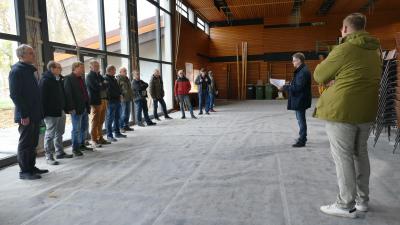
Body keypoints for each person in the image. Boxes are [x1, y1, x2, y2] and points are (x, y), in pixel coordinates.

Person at [314, 13, 381, 218]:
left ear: (344, 29)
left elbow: (319, 75)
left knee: (343, 157)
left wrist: (333, 78)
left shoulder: (345, 48)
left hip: (342, 111)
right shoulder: (375, 50)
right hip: (366, 110)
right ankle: (362, 201)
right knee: (360, 154)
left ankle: (345, 204)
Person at [9, 44, 48, 180]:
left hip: (35, 113)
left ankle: (31, 167)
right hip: (26, 115)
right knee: (26, 144)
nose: (34, 55)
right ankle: (24, 171)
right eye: (31, 53)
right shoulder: (16, 71)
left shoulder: (28, 70)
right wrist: (24, 114)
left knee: (33, 142)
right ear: (22, 56)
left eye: (33, 52)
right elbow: (15, 95)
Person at [39, 61, 73, 165]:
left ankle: (59, 152)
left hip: (60, 110)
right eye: (59, 67)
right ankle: (49, 156)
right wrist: (44, 114)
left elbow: (63, 95)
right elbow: (42, 99)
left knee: (60, 132)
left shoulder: (58, 79)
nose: (61, 69)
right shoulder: (45, 80)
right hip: (51, 112)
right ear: (52, 69)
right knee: (50, 134)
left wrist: (66, 108)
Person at [281, 52, 312, 148]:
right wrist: (289, 83)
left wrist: (285, 87)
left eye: (294, 60)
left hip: (300, 99)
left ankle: (302, 140)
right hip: (300, 99)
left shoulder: (303, 72)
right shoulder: (301, 70)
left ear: (299, 61)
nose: (292, 62)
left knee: (301, 120)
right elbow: (297, 84)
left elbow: (298, 88)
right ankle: (302, 137)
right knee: (300, 119)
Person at [64, 62, 93, 157]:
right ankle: (75, 148)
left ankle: (82, 145)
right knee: (76, 129)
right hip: (76, 108)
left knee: (84, 127)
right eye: (81, 68)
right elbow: (68, 95)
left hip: (84, 107)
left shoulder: (81, 78)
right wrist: (71, 108)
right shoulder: (68, 78)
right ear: (75, 68)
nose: (83, 70)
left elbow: (84, 93)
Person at [86, 60, 110, 147]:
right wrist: (101, 84)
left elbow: (107, 84)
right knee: (95, 121)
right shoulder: (89, 76)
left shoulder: (99, 75)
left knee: (101, 120)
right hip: (95, 101)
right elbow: (95, 87)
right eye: (95, 66)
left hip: (103, 100)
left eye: (98, 65)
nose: (97, 67)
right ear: (91, 67)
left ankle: (100, 138)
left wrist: (101, 84)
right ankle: (94, 140)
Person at [104, 65, 126, 142]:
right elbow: (108, 91)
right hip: (111, 102)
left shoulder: (114, 78)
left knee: (117, 118)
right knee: (110, 119)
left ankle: (117, 133)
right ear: (109, 71)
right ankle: (109, 136)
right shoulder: (105, 79)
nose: (115, 72)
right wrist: (117, 95)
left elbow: (118, 88)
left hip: (117, 101)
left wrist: (120, 94)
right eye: (114, 70)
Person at [117, 67, 134, 132]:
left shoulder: (127, 79)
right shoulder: (118, 79)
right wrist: (120, 96)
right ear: (120, 72)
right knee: (123, 113)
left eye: (126, 71)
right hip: (123, 99)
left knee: (127, 113)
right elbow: (118, 89)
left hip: (128, 98)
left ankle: (126, 126)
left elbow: (129, 89)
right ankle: (121, 127)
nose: (126, 72)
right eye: (124, 71)